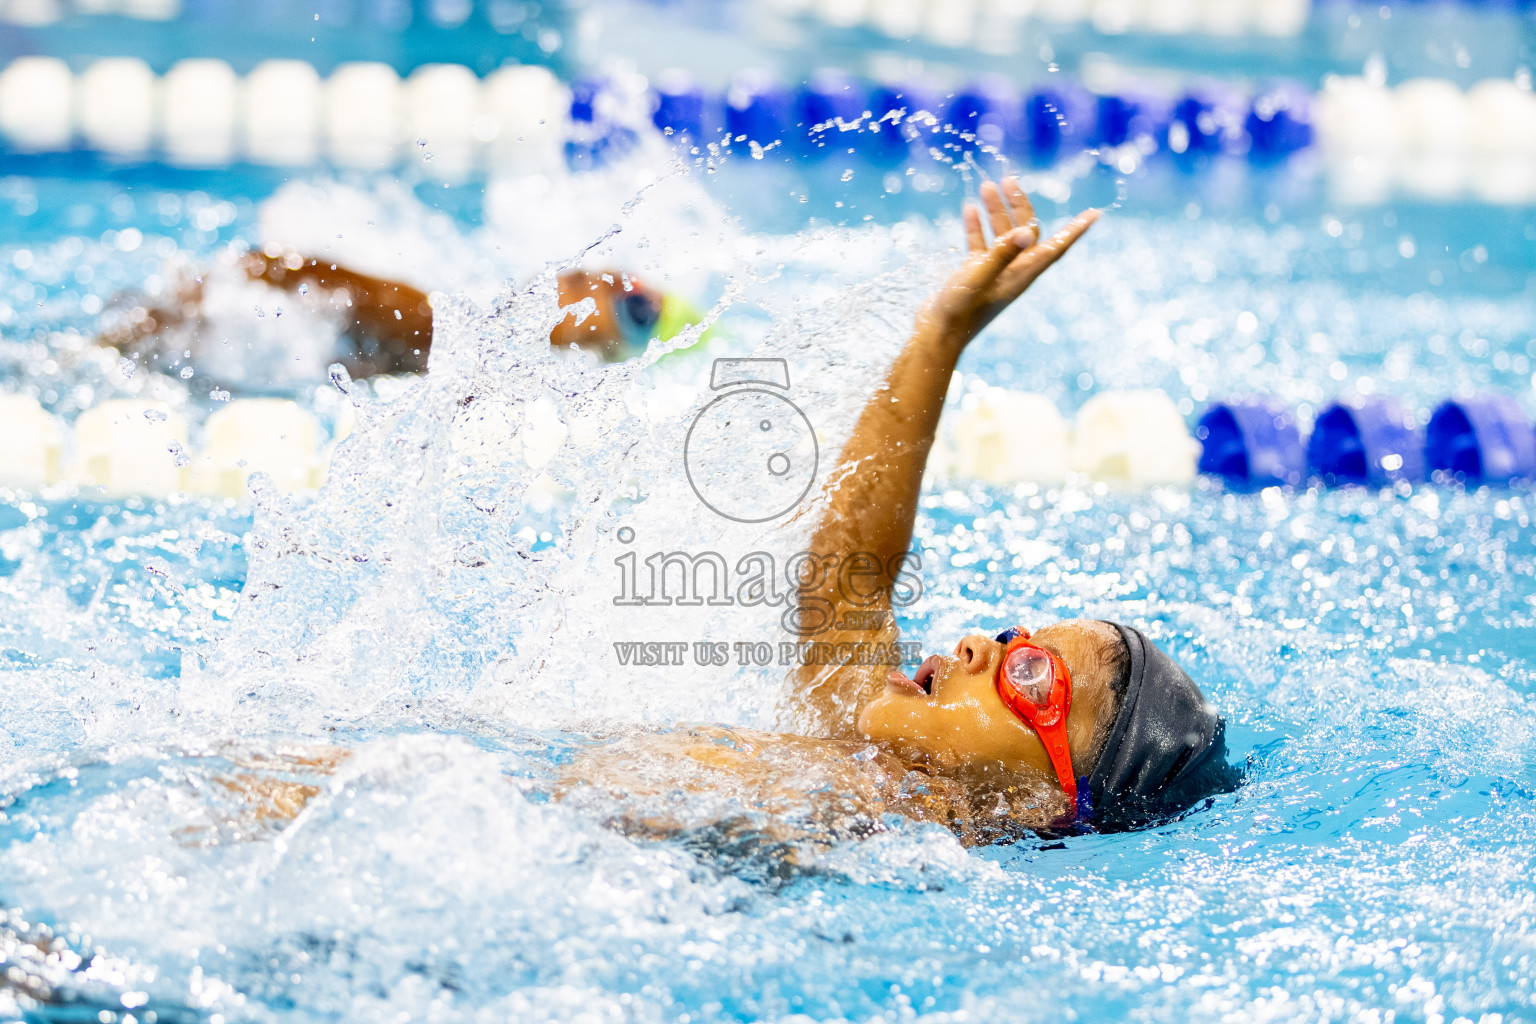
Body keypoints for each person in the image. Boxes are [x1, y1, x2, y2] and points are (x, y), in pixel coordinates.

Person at [221, 179, 1238, 866]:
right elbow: (846, 583)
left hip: (444, 853)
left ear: (1045, 800)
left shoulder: (880, 825)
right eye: (1014, 634)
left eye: (1026, 676)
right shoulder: (868, 756)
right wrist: (940, 335)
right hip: (417, 822)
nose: (982, 641)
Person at [98, 249, 666, 390]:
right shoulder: (434, 318)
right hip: (217, 330)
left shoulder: (510, 365)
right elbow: (288, 266)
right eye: (625, 308)